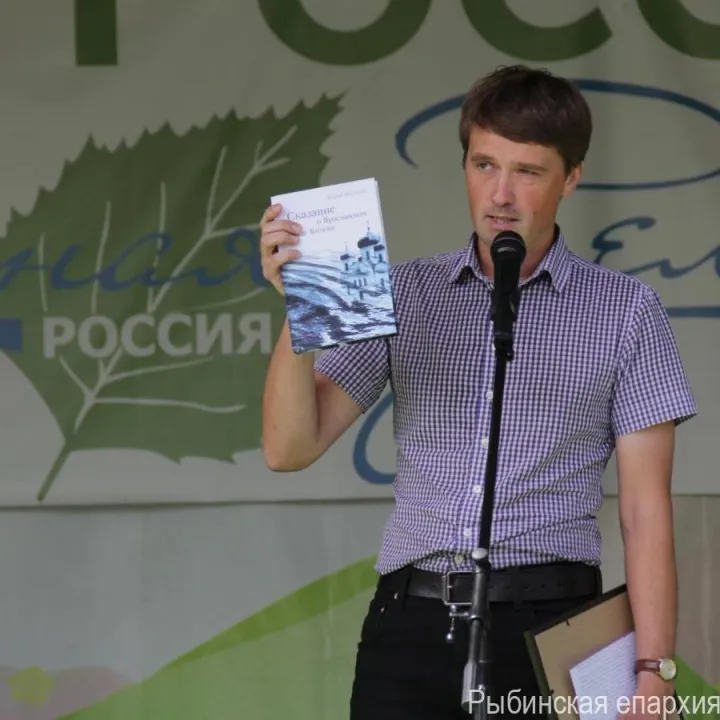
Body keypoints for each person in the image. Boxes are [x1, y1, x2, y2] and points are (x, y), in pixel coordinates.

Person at [259, 65, 698, 719]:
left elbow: (645, 512)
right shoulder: (405, 292)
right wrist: (300, 306)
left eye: (528, 171)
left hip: (551, 624)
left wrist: (654, 670)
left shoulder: (626, 310)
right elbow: (289, 448)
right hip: (410, 622)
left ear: (570, 178)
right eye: (484, 165)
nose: (501, 194)